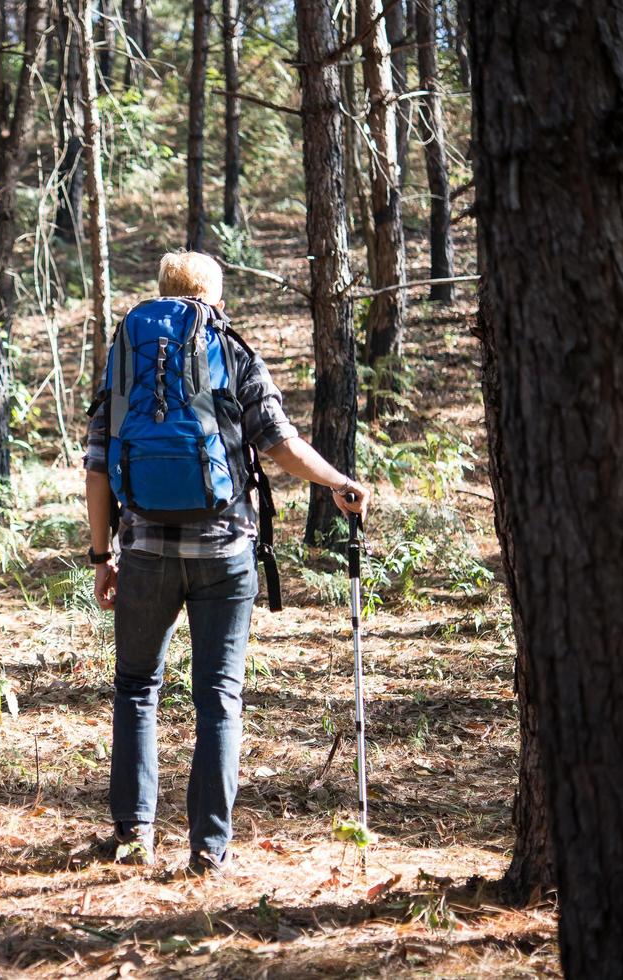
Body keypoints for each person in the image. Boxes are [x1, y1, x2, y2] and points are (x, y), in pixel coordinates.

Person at [84, 251, 372, 873]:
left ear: (162, 294)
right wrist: (336, 481)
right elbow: (281, 443)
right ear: (214, 296)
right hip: (224, 549)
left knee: (137, 688)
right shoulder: (231, 348)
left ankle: (134, 834)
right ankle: (208, 850)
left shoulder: (126, 354)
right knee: (218, 697)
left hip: (144, 550)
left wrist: (101, 553)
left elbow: (99, 462)